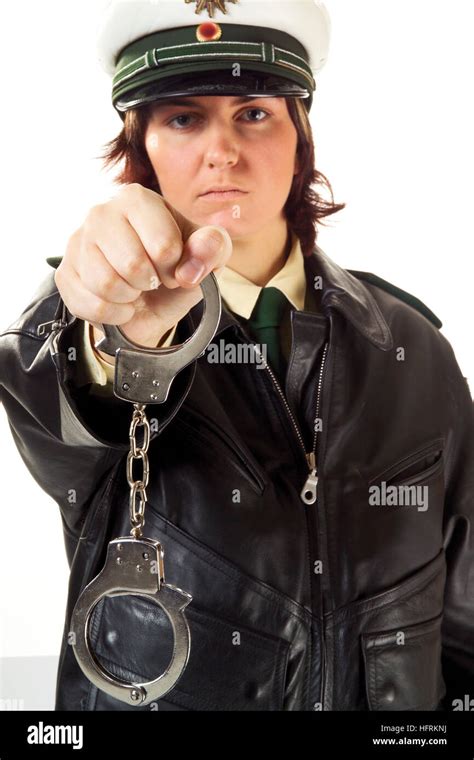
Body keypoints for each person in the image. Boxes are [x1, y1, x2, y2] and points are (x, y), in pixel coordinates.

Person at [0, 0, 472, 712]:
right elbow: (59, 403)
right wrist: (115, 335)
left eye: (253, 112)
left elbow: (464, 614)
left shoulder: (414, 347)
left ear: (299, 138)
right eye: (184, 118)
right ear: (142, 151)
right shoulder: (93, 322)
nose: (222, 149)